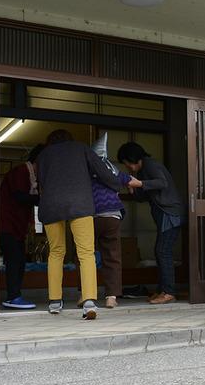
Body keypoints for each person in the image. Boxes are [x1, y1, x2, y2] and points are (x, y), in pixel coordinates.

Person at [38, 129, 134, 320]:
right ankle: (89, 301)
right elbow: (102, 172)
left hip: (51, 206)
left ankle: (55, 301)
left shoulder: (43, 155)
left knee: (56, 252)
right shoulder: (81, 149)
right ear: (69, 139)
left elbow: (41, 181)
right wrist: (119, 183)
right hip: (80, 204)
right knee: (86, 252)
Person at [117, 142, 184, 305]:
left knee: (163, 251)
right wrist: (132, 189)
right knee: (160, 251)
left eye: (127, 163)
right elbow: (143, 197)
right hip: (165, 214)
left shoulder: (151, 165)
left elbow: (162, 183)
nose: (128, 167)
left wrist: (139, 184)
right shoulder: (143, 170)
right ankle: (163, 290)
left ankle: (168, 292)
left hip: (171, 213)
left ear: (133, 158)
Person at [0, 144, 45, 309]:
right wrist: (43, 199)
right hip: (7, 224)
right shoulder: (21, 172)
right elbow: (19, 197)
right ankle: (13, 297)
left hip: (16, 227)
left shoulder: (30, 176)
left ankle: (14, 296)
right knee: (15, 261)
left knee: (18, 261)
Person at [91, 134, 133, 309]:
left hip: (90, 216)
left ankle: (86, 296)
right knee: (112, 257)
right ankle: (111, 297)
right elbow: (132, 180)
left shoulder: (85, 168)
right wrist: (133, 184)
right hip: (112, 216)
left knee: (85, 256)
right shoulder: (112, 168)